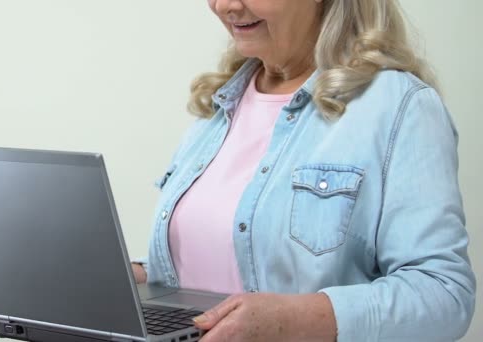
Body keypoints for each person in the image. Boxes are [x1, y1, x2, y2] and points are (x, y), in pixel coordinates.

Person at [131, 0, 476, 341]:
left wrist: (295, 321)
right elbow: (221, 252)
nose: (225, 6)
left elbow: (443, 293)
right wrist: (140, 276)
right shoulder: (216, 108)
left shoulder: (398, 105)